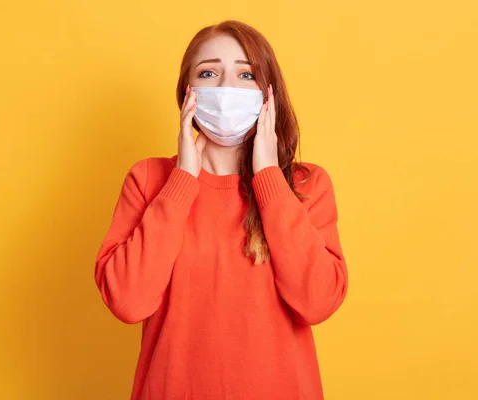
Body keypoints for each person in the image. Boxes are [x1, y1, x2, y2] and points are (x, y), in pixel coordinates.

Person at [94, 20, 349, 400]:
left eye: (245, 74)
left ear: (268, 94)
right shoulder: (148, 180)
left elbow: (318, 301)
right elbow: (128, 301)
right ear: (187, 94)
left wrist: (268, 177)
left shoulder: (306, 185)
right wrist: (182, 180)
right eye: (209, 72)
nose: (227, 87)